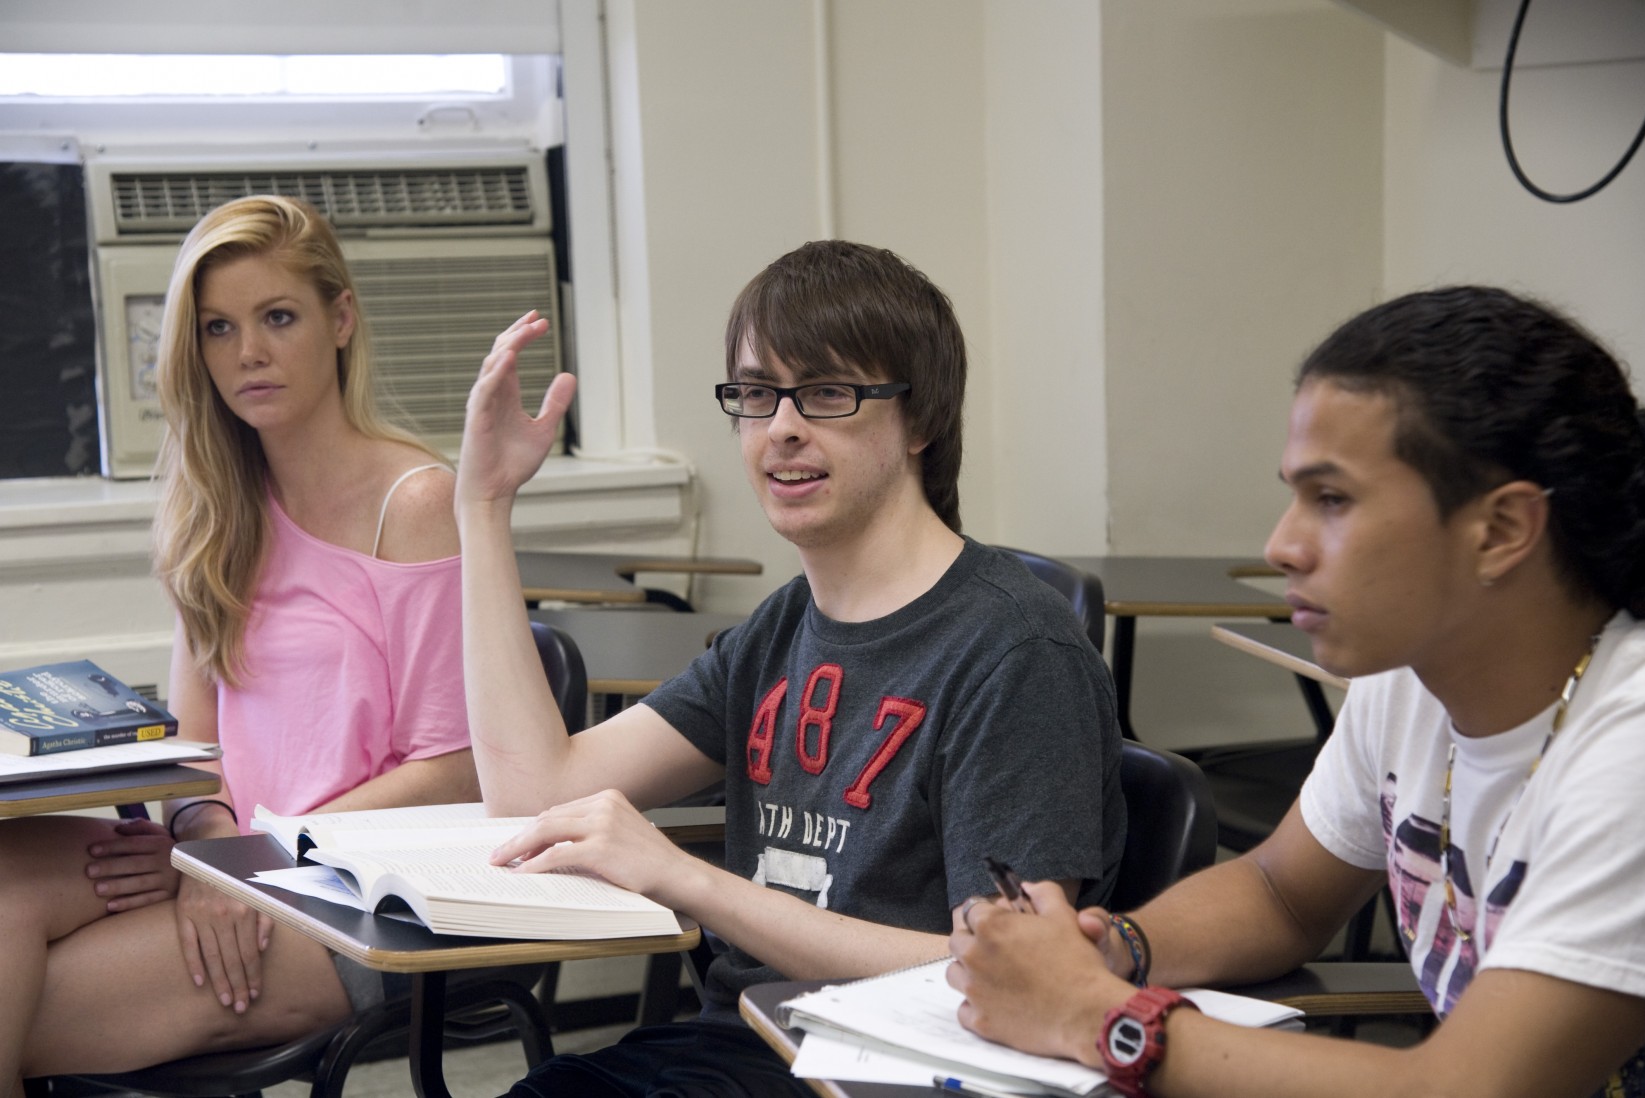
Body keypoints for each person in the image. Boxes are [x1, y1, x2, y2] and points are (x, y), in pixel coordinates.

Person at [457, 239, 1125, 1096]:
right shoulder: (784, 625)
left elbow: (1005, 976)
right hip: (747, 1047)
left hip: (902, 1069)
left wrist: (686, 878)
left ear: (920, 421)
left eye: (827, 393)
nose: (782, 427)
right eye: (758, 393)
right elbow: (532, 792)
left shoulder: (1016, 654)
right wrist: (481, 506)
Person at [947, 285, 1645, 1098]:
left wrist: (1092, 1014)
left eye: (1333, 499)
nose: (1281, 544)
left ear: (1500, 531)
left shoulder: (1630, 746)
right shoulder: (1411, 682)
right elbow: (1280, 892)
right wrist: (1112, 949)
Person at [1, 195, 478, 1089]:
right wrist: (206, 845)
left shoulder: (415, 505)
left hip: (358, 889)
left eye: (278, 317)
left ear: (340, 320)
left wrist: (245, 859)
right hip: (225, 855)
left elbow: (456, 771)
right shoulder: (215, 511)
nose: (248, 353)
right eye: (218, 328)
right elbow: (195, 752)